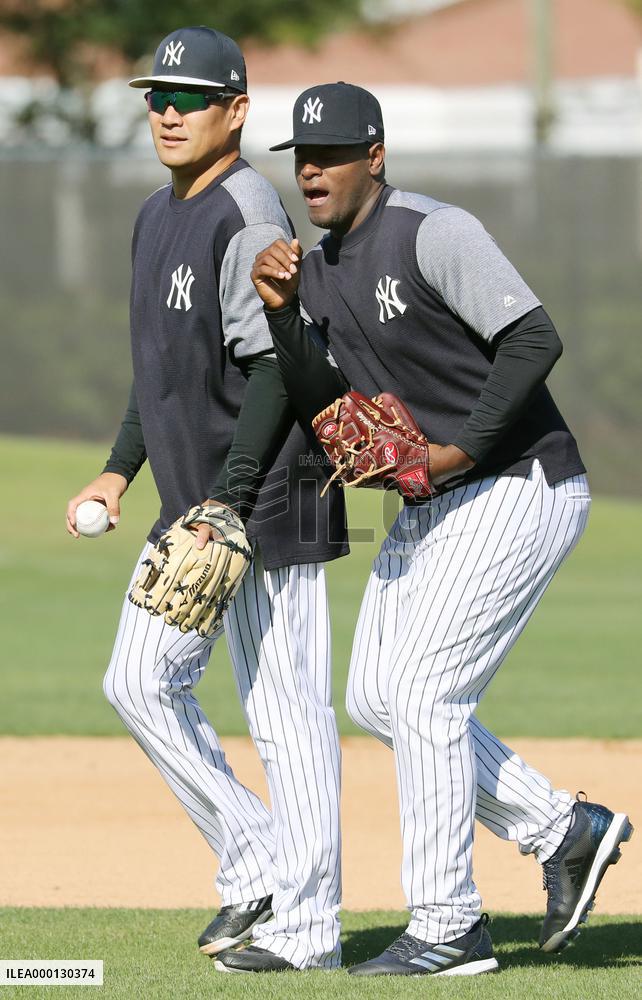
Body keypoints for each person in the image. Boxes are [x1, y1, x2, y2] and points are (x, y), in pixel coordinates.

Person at [251, 82, 633, 976]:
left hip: (518, 482)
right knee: (380, 697)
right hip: (434, 500)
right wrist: (280, 311)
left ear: (373, 157)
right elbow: (323, 402)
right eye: (301, 156)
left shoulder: (431, 230)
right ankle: (564, 830)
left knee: (424, 696)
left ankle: (447, 926)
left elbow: (534, 339)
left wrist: (458, 453)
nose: (312, 169)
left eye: (332, 153)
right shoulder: (321, 268)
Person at [66, 32, 349, 974]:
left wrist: (229, 499)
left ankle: (307, 929)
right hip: (207, 502)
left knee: (289, 714)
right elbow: (162, 374)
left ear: (236, 110)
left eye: (191, 95)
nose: (169, 111)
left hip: (276, 493)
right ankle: (259, 864)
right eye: (157, 96)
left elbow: (273, 361)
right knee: (137, 680)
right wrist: (118, 470)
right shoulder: (157, 215)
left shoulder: (247, 205)